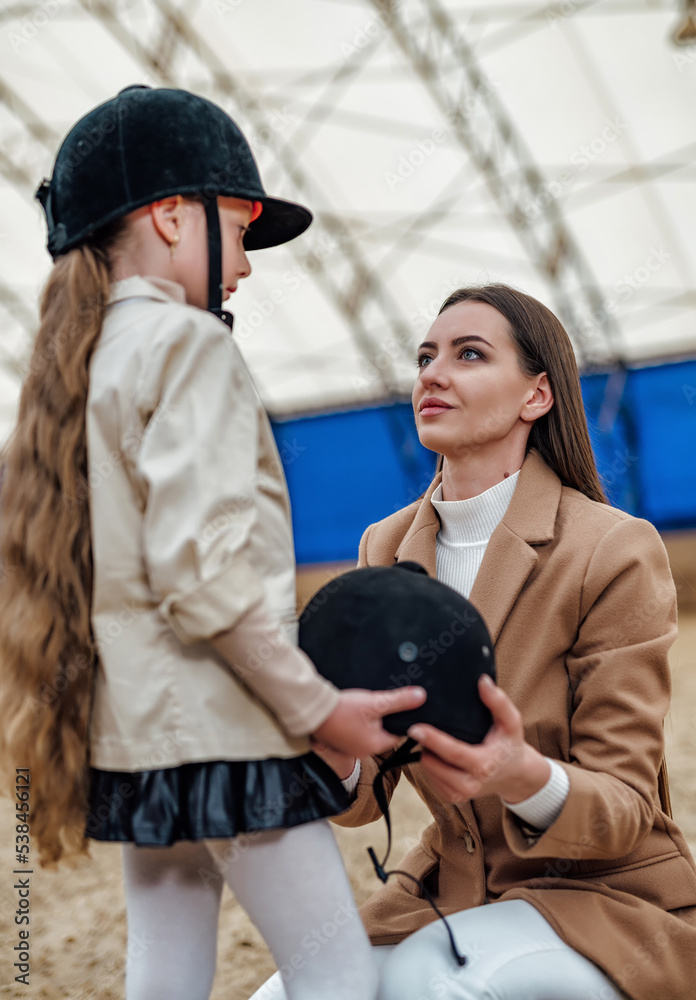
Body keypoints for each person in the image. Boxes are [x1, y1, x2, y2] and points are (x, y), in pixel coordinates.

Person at [0, 85, 426, 1000]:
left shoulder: (80, 366)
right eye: (235, 230)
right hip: (230, 733)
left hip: (141, 741)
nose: (246, 263)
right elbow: (202, 577)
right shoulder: (188, 346)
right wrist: (318, 709)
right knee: (336, 969)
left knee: (164, 974)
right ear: (166, 217)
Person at [250, 284, 696, 1000]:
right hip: (443, 888)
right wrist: (328, 745)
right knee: (283, 995)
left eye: (469, 354)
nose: (432, 372)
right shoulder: (384, 544)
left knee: (437, 986)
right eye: (426, 355)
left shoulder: (614, 549)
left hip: (601, 896)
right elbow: (365, 800)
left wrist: (519, 772)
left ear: (536, 396)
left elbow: (624, 811)